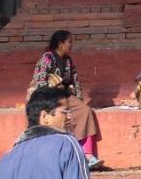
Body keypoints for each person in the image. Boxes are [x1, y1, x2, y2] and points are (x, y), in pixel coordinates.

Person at [29, 30, 102, 169]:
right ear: (60, 44)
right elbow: (40, 80)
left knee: (85, 111)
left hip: (65, 96)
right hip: (49, 96)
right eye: (69, 42)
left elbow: (75, 81)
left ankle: (87, 154)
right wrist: (49, 92)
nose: (71, 45)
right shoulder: (47, 58)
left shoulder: (68, 61)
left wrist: (78, 99)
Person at [0, 86, 90, 179]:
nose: (69, 117)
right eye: (65, 112)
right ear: (45, 116)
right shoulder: (66, 143)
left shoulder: (6, 159)